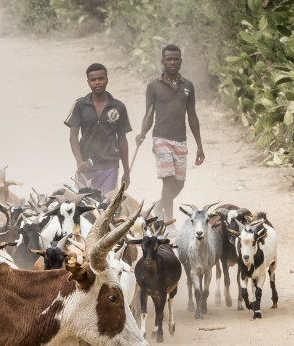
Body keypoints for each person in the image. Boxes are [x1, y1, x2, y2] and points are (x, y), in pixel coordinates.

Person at [136, 44, 204, 218]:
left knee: (179, 183)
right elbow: (149, 114)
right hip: (161, 139)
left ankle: (159, 206)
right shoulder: (153, 86)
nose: (172, 62)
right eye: (169, 59)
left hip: (180, 140)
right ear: (163, 61)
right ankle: (169, 221)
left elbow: (193, 116)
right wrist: (142, 133)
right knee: (168, 180)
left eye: (176, 59)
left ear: (181, 61)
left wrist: (199, 146)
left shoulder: (188, 86)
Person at [65, 63, 131, 193]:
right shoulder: (80, 104)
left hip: (110, 166)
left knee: (106, 206)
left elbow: (122, 140)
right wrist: (79, 162)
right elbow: (73, 135)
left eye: (101, 79)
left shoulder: (118, 107)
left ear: (107, 79)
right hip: (86, 167)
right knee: (86, 206)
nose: (97, 83)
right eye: (93, 80)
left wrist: (126, 172)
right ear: (88, 82)